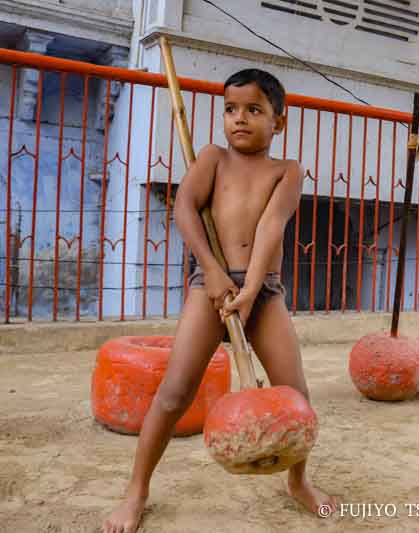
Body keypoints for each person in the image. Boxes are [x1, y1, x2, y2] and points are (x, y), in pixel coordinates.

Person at [102, 68, 335, 533]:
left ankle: (298, 481)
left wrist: (250, 289)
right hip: (207, 286)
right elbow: (185, 207)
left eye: (254, 110)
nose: (239, 119)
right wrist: (210, 271)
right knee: (173, 394)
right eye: (231, 109)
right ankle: (137, 491)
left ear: (278, 122)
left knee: (297, 393)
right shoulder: (212, 159)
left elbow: (272, 225)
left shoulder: (286, 171)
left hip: (263, 291)